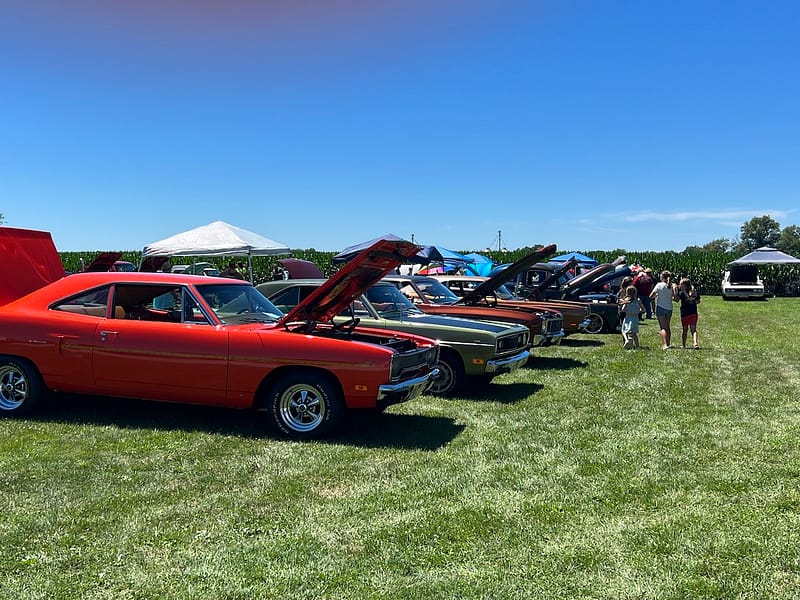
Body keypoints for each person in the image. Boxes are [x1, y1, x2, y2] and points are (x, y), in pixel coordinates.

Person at [650, 270, 677, 350]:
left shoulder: (659, 285)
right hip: (669, 308)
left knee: (663, 327)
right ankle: (668, 343)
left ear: (662, 277)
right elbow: (675, 298)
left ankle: (665, 344)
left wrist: (657, 295)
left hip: (660, 307)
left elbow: (651, 296)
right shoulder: (672, 286)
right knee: (667, 327)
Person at [677, 278, 701, 349]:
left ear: (685, 286)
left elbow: (677, 299)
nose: (679, 285)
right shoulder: (695, 292)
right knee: (693, 329)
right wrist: (692, 301)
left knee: (685, 330)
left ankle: (683, 345)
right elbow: (698, 301)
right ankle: (695, 343)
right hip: (693, 312)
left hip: (684, 313)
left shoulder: (681, 293)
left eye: (681, 284)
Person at [619, 285, 645, 350]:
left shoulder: (626, 301)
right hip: (635, 318)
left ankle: (626, 340)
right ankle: (637, 346)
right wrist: (638, 310)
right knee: (633, 333)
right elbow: (643, 310)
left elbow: (623, 310)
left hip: (628, 317)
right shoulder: (638, 300)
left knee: (624, 331)